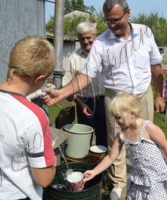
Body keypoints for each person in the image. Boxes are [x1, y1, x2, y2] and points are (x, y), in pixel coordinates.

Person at [43, 0, 165, 199]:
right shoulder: (101, 42)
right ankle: (119, 186)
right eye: (108, 21)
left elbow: (156, 67)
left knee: (146, 139)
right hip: (115, 97)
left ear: (128, 13)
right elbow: (86, 75)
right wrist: (63, 92)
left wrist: (160, 94)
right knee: (117, 142)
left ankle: (148, 180)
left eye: (116, 20)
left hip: (143, 95)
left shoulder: (145, 32)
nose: (112, 25)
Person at [0, 36, 56, 200]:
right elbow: (43, 180)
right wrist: (50, 158)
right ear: (39, 79)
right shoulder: (34, 116)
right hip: (18, 195)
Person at [84, 92, 167, 200]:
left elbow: (165, 147)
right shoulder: (121, 136)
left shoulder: (148, 128)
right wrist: (94, 171)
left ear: (132, 114)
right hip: (138, 183)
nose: (116, 121)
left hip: (157, 182)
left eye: (118, 117)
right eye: (115, 117)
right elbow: (110, 157)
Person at [62, 21, 107, 146]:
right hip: (84, 102)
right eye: (82, 39)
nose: (86, 41)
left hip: (105, 100)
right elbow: (67, 86)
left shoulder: (106, 54)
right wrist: (81, 104)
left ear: (96, 36)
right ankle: (86, 163)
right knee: (85, 137)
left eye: (89, 38)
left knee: (105, 135)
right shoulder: (73, 58)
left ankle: (103, 162)